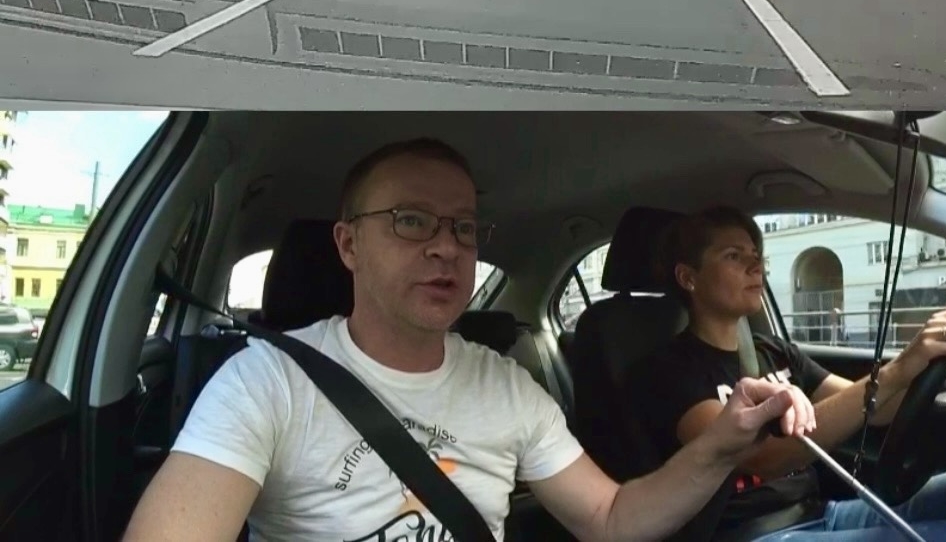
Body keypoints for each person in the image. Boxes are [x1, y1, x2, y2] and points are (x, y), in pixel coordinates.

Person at [122, 141, 816, 542]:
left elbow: (610, 518)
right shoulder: (265, 383)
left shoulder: (507, 386)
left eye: (461, 227)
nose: (445, 247)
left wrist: (722, 443)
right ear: (348, 245)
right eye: (411, 220)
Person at [629, 208, 946, 542]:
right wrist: (901, 366)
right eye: (734, 256)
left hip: (819, 513)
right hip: (752, 533)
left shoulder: (774, 352)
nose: (755, 265)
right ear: (688, 277)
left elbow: (875, 410)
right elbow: (765, 457)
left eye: (756, 254)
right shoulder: (668, 371)